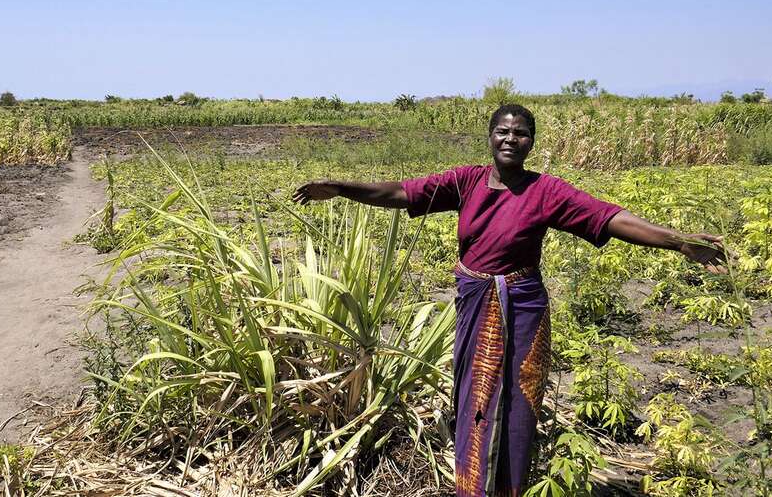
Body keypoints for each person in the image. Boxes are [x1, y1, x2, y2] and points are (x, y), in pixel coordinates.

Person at [292, 104, 726, 497]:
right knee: (474, 397)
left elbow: (609, 217)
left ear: (531, 143)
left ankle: (508, 490)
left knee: (519, 405)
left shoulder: (547, 192)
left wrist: (679, 241)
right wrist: (340, 187)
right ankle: (472, 488)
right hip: (475, 304)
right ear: (490, 136)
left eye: (521, 134)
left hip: (522, 307)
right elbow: (402, 192)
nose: (510, 139)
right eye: (503, 131)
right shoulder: (466, 181)